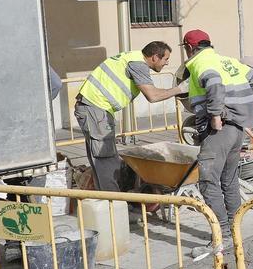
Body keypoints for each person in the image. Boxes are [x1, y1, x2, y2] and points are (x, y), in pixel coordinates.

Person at [181, 30, 253, 254]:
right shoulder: (225, 60)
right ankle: (236, 232)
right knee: (229, 180)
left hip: (221, 128)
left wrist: (215, 115)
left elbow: (213, 82)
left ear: (189, 47)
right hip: (236, 128)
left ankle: (221, 235)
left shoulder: (198, 62)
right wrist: (246, 108)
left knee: (208, 181)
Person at [74, 42, 185, 191]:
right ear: (154, 57)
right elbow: (152, 96)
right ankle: (115, 205)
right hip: (95, 108)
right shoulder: (138, 65)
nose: (167, 63)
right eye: (165, 59)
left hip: (94, 108)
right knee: (106, 160)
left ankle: (106, 203)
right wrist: (180, 89)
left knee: (99, 159)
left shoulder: (131, 57)